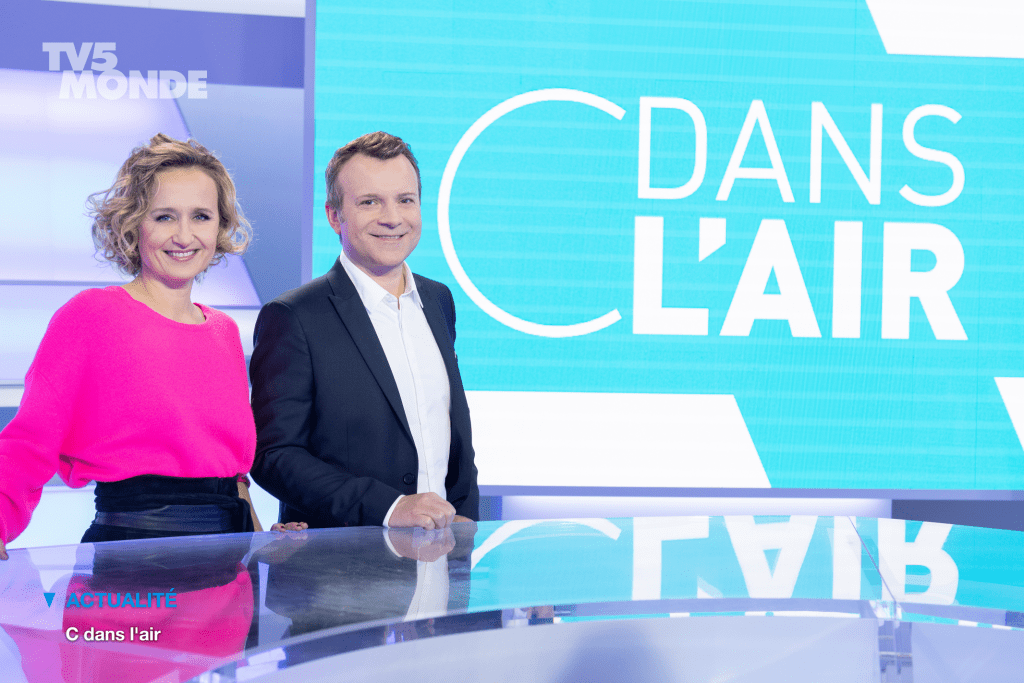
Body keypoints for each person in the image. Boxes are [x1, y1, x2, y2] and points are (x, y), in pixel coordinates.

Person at [0, 133, 304, 561]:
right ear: (134, 224)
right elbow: (30, 442)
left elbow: (233, 477)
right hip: (131, 557)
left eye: (201, 216)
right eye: (164, 217)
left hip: (228, 572)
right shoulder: (91, 315)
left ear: (220, 227)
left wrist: (260, 544)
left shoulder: (223, 332)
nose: (184, 235)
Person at [249, 131, 479, 530]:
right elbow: (274, 456)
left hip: (443, 554)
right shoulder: (293, 317)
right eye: (370, 202)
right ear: (334, 216)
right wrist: (389, 508)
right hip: (343, 561)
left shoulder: (439, 300)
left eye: (405, 200)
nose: (392, 218)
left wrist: (465, 526)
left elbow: (450, 436)